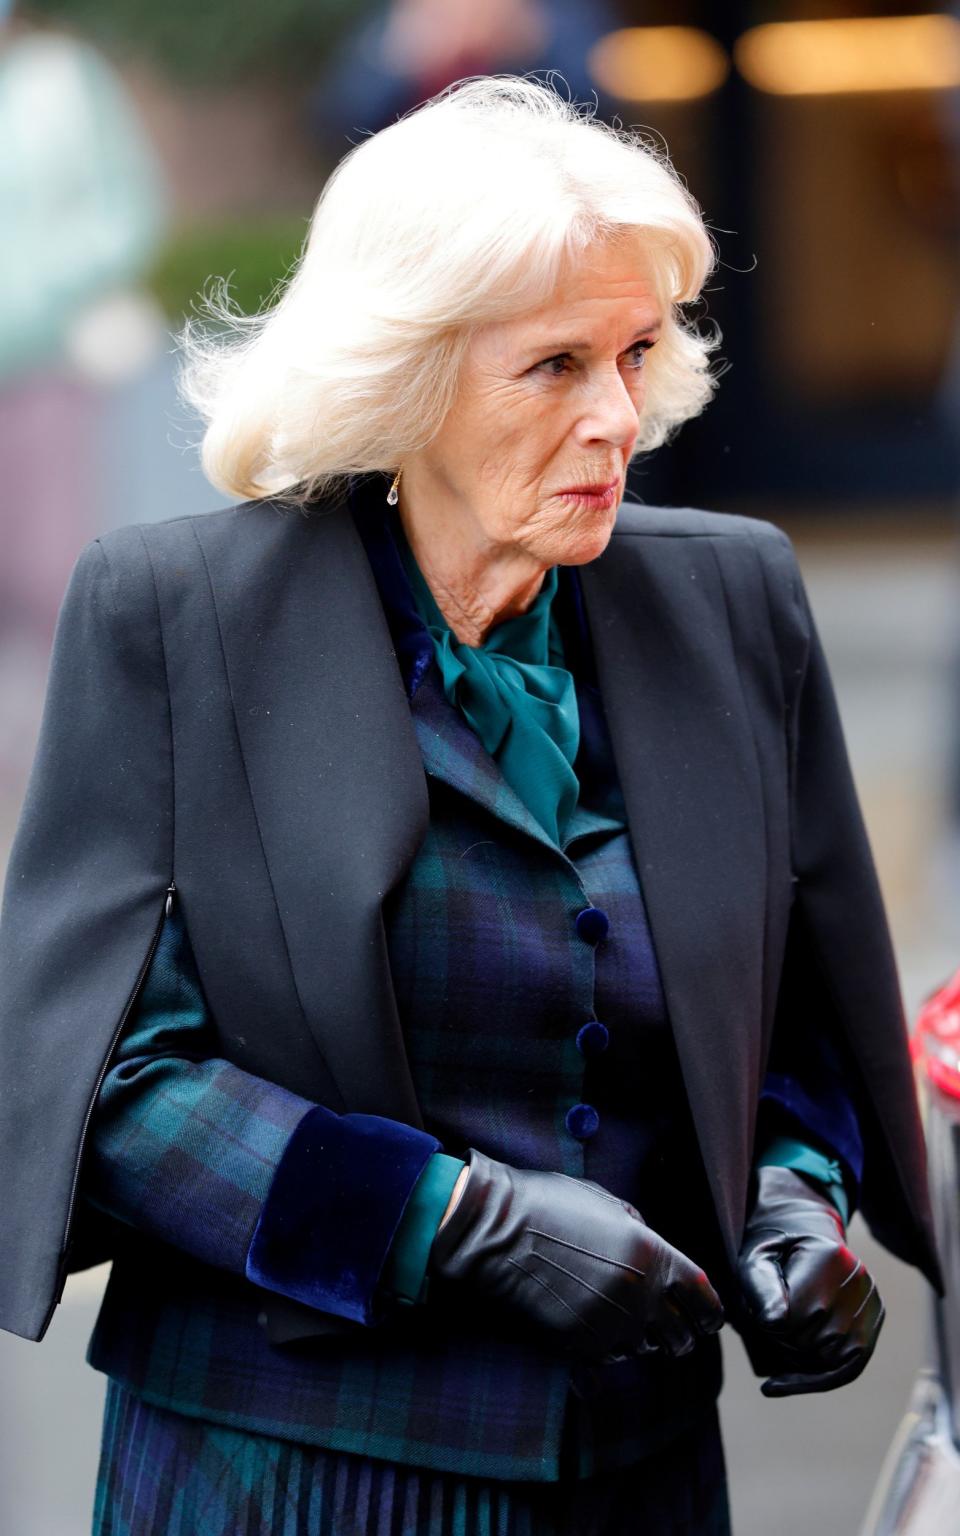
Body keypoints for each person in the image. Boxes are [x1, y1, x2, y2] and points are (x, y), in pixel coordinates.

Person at [0, 75, 942, 1536]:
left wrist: (795, 1195)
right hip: (289, 1469)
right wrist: (454, 1220)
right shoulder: (179, 616)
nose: (617, 416)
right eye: (554, 366)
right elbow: (105, 1077)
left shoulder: (732, 599)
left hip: (639, 1469)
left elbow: (803, 1009)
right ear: (410, 372)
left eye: (635, 354)